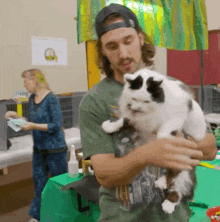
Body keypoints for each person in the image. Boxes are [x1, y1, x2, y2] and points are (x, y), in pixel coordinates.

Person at [78, 3, 217, 222]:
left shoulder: (175, 88)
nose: (123, 54)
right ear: (103, 50)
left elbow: (209, 148)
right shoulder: (95, 101)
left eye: (128, 41)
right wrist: (147, 153)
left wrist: (174, 141)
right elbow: (104, 174)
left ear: (141, 38)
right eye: (112, 46)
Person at [4, 69, 67, 222]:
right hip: (39, 149)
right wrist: (17, 117)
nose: (24, 85)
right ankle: (38, 216)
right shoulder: (32, 98)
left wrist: (33, 126)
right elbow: (32, 120)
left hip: (55, 149)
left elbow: (55, 125)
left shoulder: (51, 98)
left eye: (25, 81)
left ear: (34, 80)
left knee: (59, 184)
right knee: (39, 184)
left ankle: (62, 214)